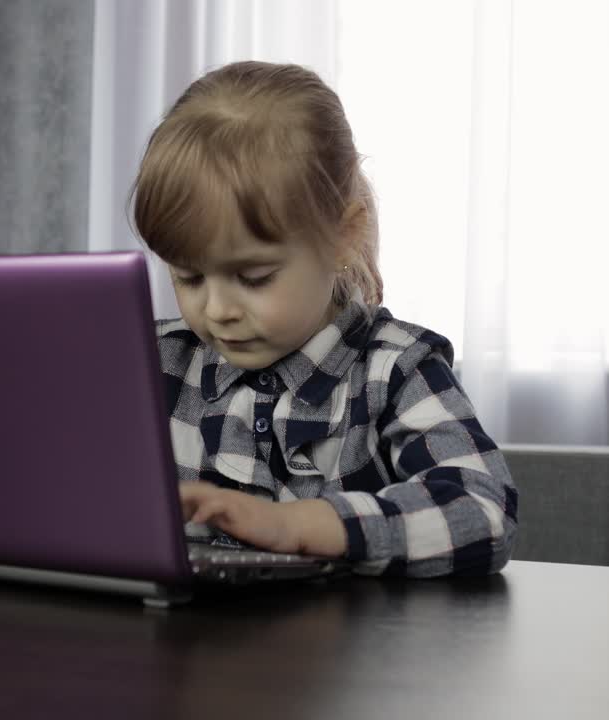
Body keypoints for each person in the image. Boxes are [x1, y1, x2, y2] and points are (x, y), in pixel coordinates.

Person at [131, 61, 516, 577]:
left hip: (353, 632)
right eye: (189, 277)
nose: (217, 310)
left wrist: (301, 526)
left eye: (254, 277)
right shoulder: (152, 364)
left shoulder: (395, 371)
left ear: (343, 237)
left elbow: (484, 512)